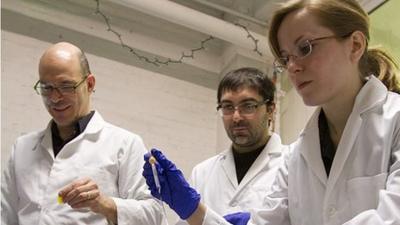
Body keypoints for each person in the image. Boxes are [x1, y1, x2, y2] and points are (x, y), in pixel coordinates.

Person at [143, 0, 400, 224]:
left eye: (305, 48)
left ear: (354, 45)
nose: (293, 67)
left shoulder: (395, 120)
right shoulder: (299, 156)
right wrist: (194, 211)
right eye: (285, 58)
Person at [1, 42, 163, 225]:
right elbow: (5, 215)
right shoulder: (22, 148)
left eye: (66, 86)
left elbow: (155, 216)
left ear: (90, 84)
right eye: (46, 87)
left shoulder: (125, 144)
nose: (54, 98)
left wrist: (105, 204)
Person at [172, 67, 286, 224]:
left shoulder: (290, 164)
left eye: (248, 106)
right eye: (228, 107)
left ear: (271, 110)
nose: (236, 117)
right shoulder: (202, 172)